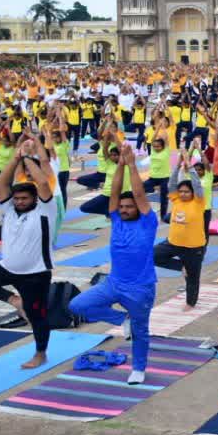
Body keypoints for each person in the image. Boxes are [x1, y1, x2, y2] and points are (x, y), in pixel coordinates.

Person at [0, 137, 58, 369]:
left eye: (24, 198)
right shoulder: (9, 209)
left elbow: (43, 184)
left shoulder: (46, 210)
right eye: (17, 199)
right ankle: (14, 300)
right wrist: (15, 157)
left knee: (37, 316)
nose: (19, 201)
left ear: (34, 199)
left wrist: (27, 157)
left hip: (35, 273)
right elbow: (1, 185)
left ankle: (40, 353)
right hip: (7, 267)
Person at [68, 142, 157, 384]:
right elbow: (114, 192)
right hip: (114, 283)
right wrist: (119, 166)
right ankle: (121, 320)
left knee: (141, 332)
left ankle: (138, 368)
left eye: (130, 207)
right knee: (78, 305)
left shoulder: (148, 222)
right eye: (123, 207)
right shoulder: (117, 219)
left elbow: (138, 193)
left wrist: (131, 165)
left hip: (140, 288)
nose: (125, 209)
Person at [153, 152, 207, 309]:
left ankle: (191, 303)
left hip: (193, 247)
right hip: (173, 243)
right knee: (153, 255)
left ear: (192, 193)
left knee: (192, 277)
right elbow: (171, 184)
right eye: (181, 191)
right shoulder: (176, 200)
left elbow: (196, 184)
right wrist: (177, 166)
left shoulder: (198, 202)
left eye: (186, 192)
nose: (183, 194)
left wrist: (189, 167)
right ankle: (180, 266)